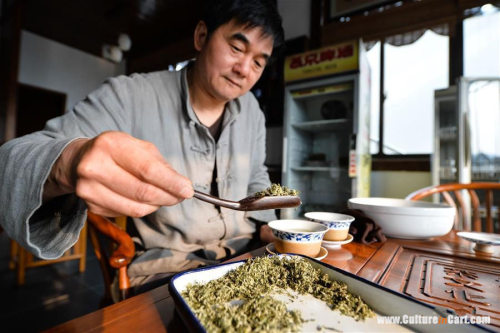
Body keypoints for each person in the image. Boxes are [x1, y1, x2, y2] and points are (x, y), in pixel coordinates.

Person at [0, 0, 284, 290]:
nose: (244, 69)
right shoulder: (130, 96)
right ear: (201, 36)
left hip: (249, 254)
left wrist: (269, 227)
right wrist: (66, 164)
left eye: (259, 62)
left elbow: (256, 175)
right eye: (237, 48)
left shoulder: (251, 110)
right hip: (167, 267)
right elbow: (9, 162)